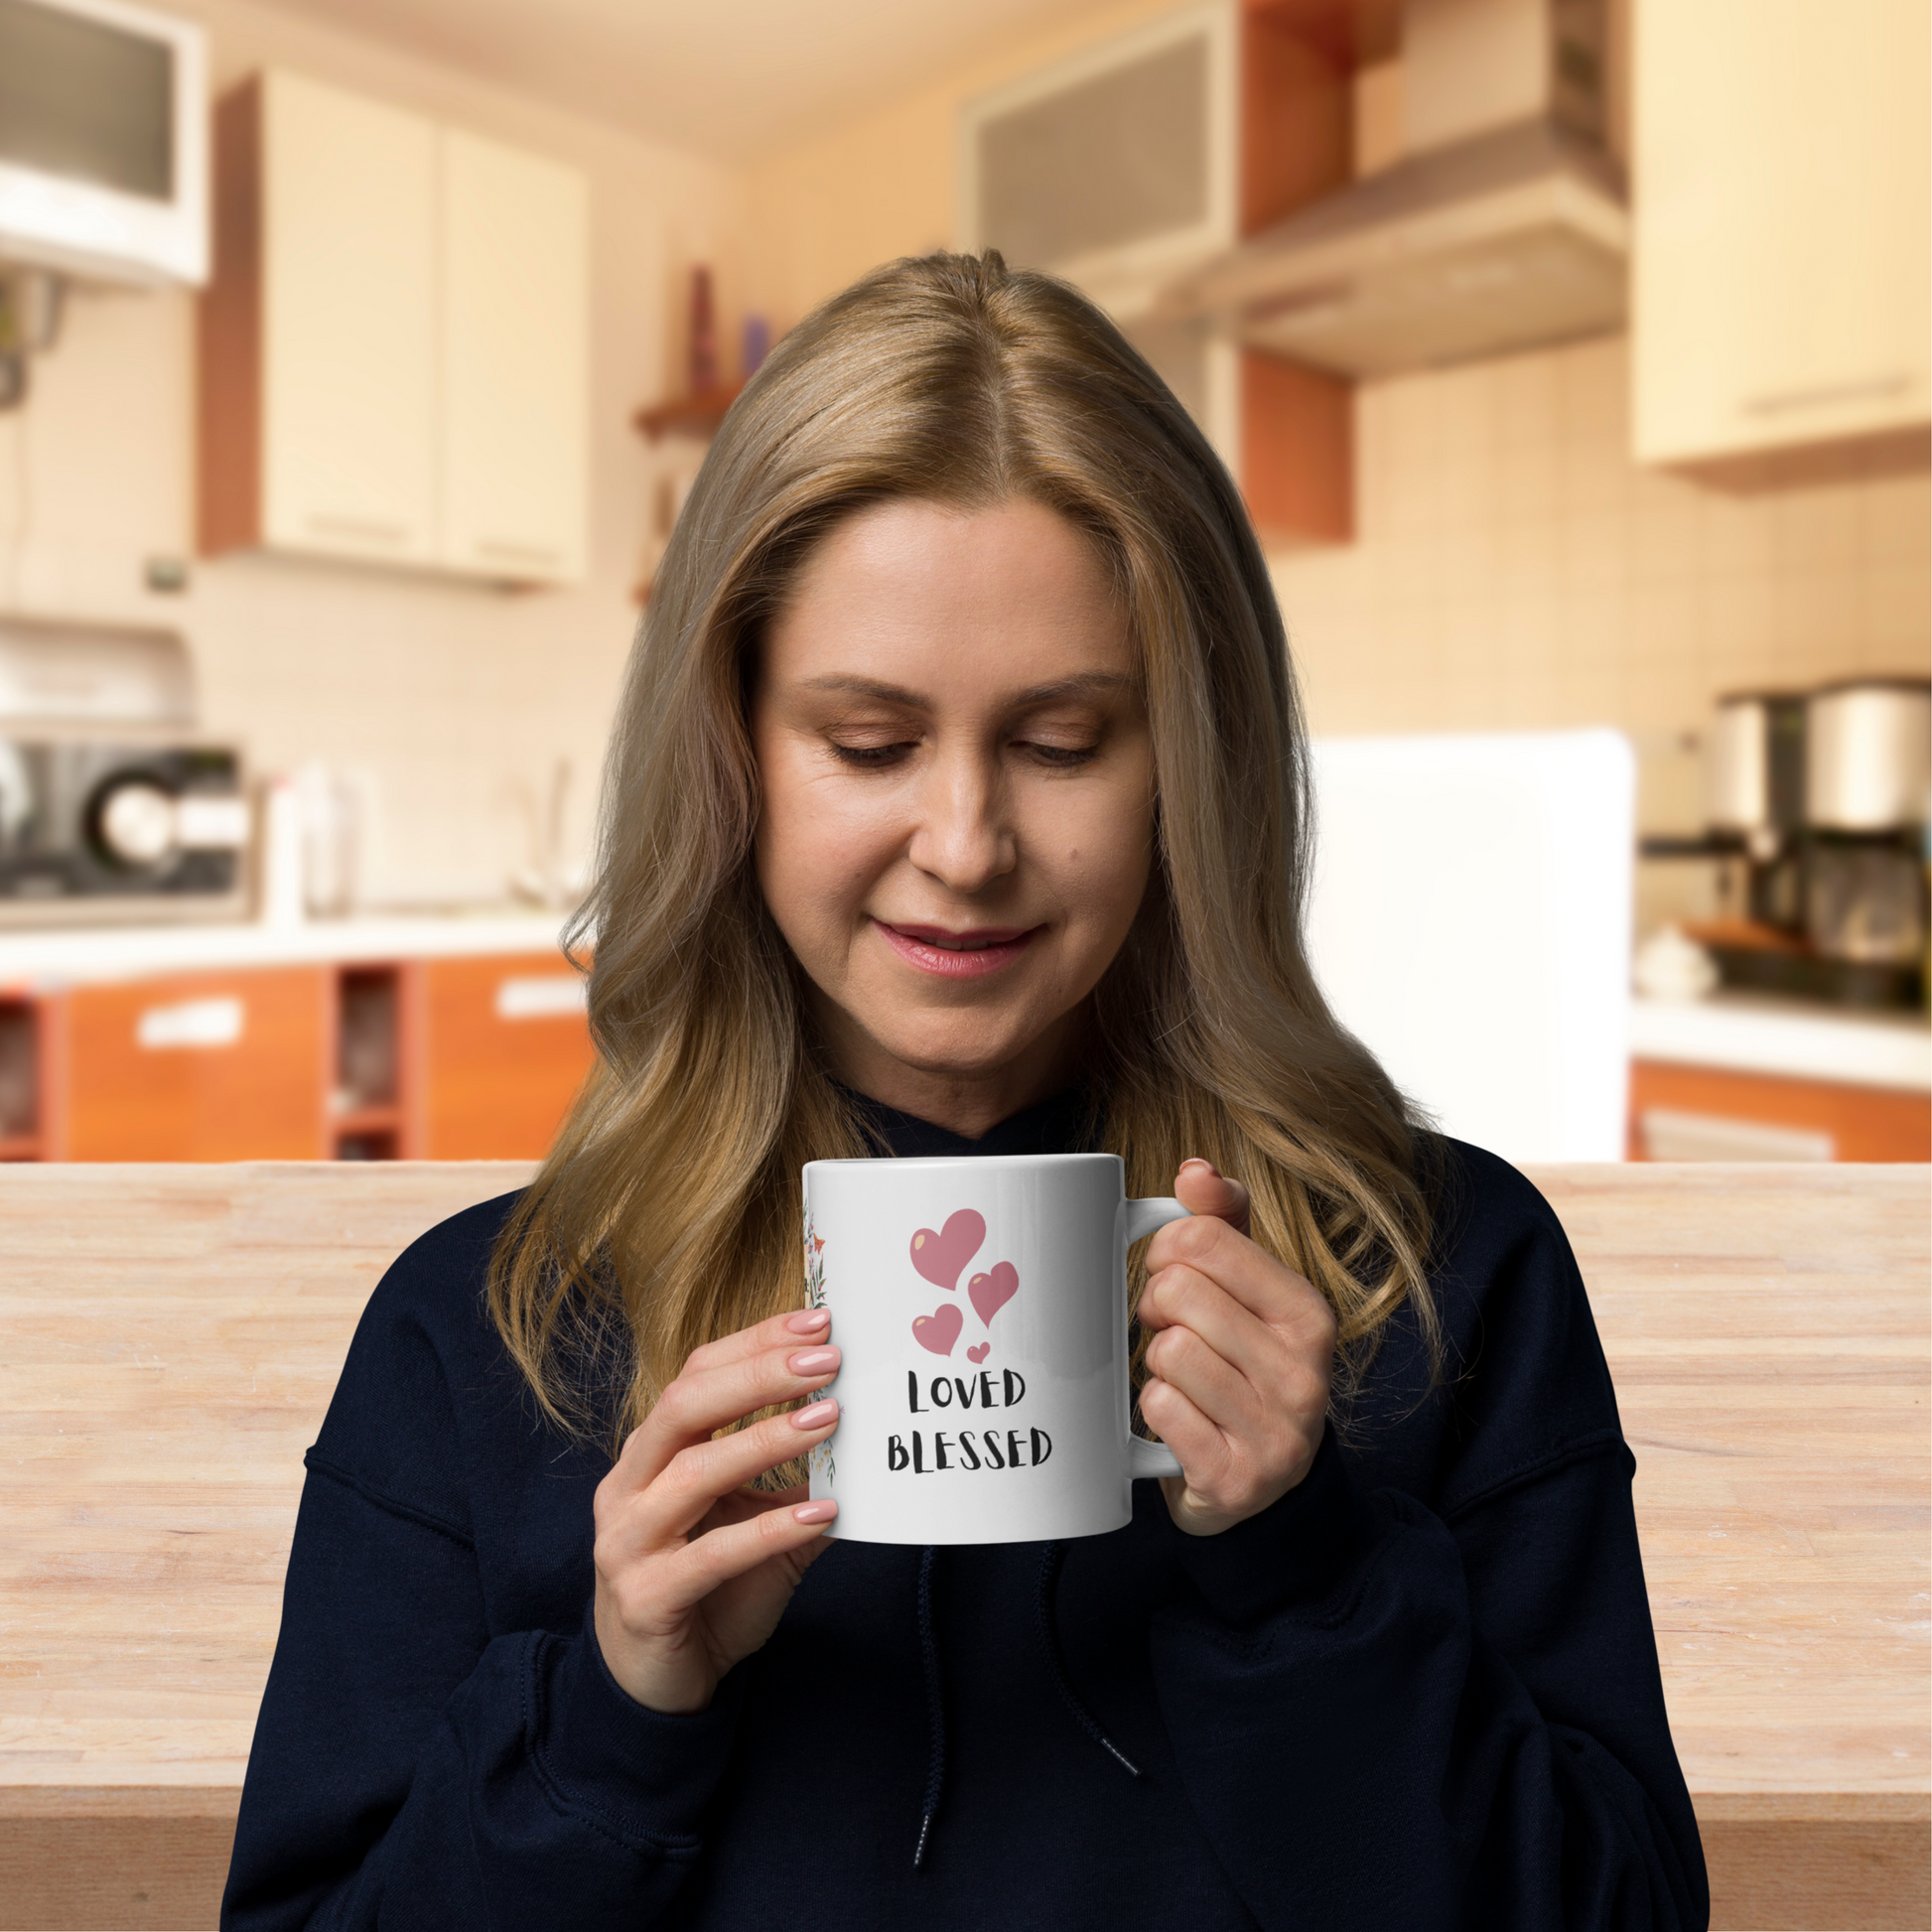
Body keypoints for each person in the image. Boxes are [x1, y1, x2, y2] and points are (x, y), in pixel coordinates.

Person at [222, 251, 1707, 1930]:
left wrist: (1305, 1573)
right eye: (866, 743)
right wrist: (617, 1708)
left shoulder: (1437, 1280)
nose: (965, 844)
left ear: (1187, 766)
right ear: (733, 755)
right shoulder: (484, 1332)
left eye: (1063, 739)